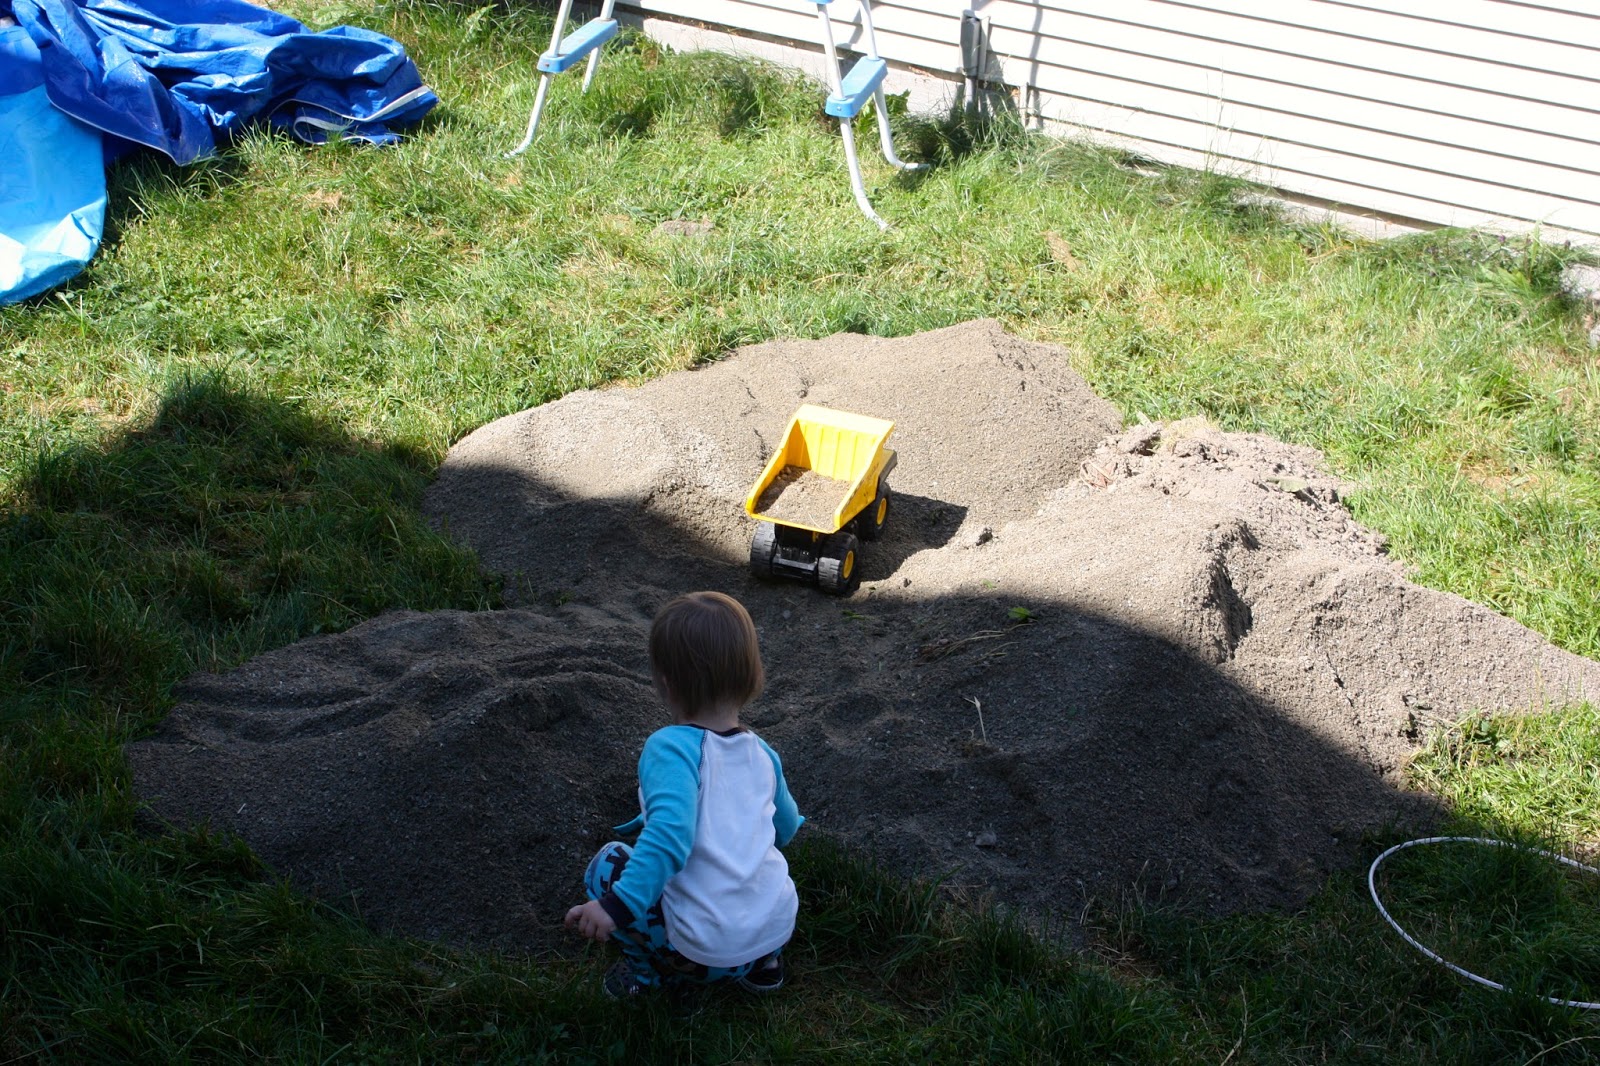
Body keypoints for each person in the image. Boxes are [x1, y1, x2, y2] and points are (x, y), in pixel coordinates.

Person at [564, 591, 804, 999]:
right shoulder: (762, 752)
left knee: (606, 864)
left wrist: (615, 907)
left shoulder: (670, 748)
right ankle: (765, 968)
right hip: (775, 927)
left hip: (702, 954)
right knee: (763, 867)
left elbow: (670, 836)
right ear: (750, 674)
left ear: (666, 684)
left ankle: (647, 976)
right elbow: (785, 827)